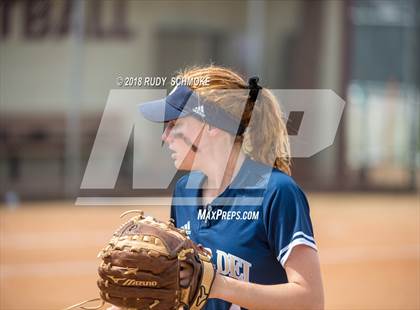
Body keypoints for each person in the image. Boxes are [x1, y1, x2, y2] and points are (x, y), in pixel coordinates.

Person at [138, 65, 324, 310]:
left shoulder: (275, 191)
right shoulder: (184, 191)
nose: (166, 136)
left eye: (175, 124)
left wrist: (218, 284)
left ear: (212, 126)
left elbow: (310, 299)